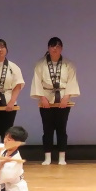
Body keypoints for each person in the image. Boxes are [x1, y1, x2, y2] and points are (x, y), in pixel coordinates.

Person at [30, 37, 80, 166]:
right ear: (48, 48)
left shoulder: (68, 64)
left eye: (57, 46)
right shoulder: (40, 64)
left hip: (63, 97)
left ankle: (62, 157)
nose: (55, 49)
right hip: (46, 97)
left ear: (61, 48)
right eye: (52, 46)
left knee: (61, 128)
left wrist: (66, 97)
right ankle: (47, 157)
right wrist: (42, 97)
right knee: (47, 129)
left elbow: (71, 81)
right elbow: (37, 81)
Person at [0, 39, 24, 144]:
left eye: (2, 47)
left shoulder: (13, 67)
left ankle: (6, 158)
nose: (0, 50)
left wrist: (12, 102)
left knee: (7, 132)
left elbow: (18, 85)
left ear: (6, 49)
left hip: (8, 101)